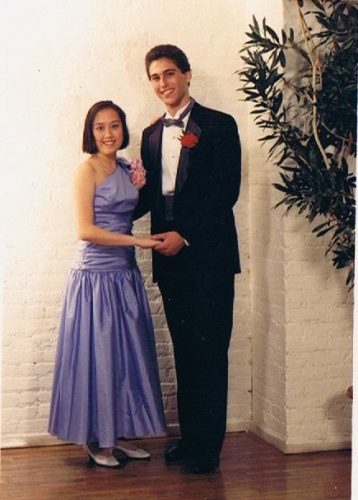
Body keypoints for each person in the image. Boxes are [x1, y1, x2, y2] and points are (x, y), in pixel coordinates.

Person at [134, 44, 241, 474]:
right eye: (156, 78)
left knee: (210, 351)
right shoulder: (150, 134)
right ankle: (191, 438)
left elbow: (225, 192)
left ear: (188, 75)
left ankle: (208, 451)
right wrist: (111, 196)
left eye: (170, 74)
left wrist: (187, 235)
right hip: (170, 259)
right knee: (184, 352)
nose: (164, 84)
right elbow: (148, 198)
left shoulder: (219, 124)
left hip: (209, 257)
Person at [48, 100, 166, 467]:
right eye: (100, 127)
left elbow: (135, 205)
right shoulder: (87, 171)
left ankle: (122, 435)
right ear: (90, 132)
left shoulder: (128, 166)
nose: (109, 133)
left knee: (126, 355)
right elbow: (85, 230)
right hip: (95, 276)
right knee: (98, 356)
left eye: (115, 126)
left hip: (124, 273)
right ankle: (97, 441)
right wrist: (136, 241)